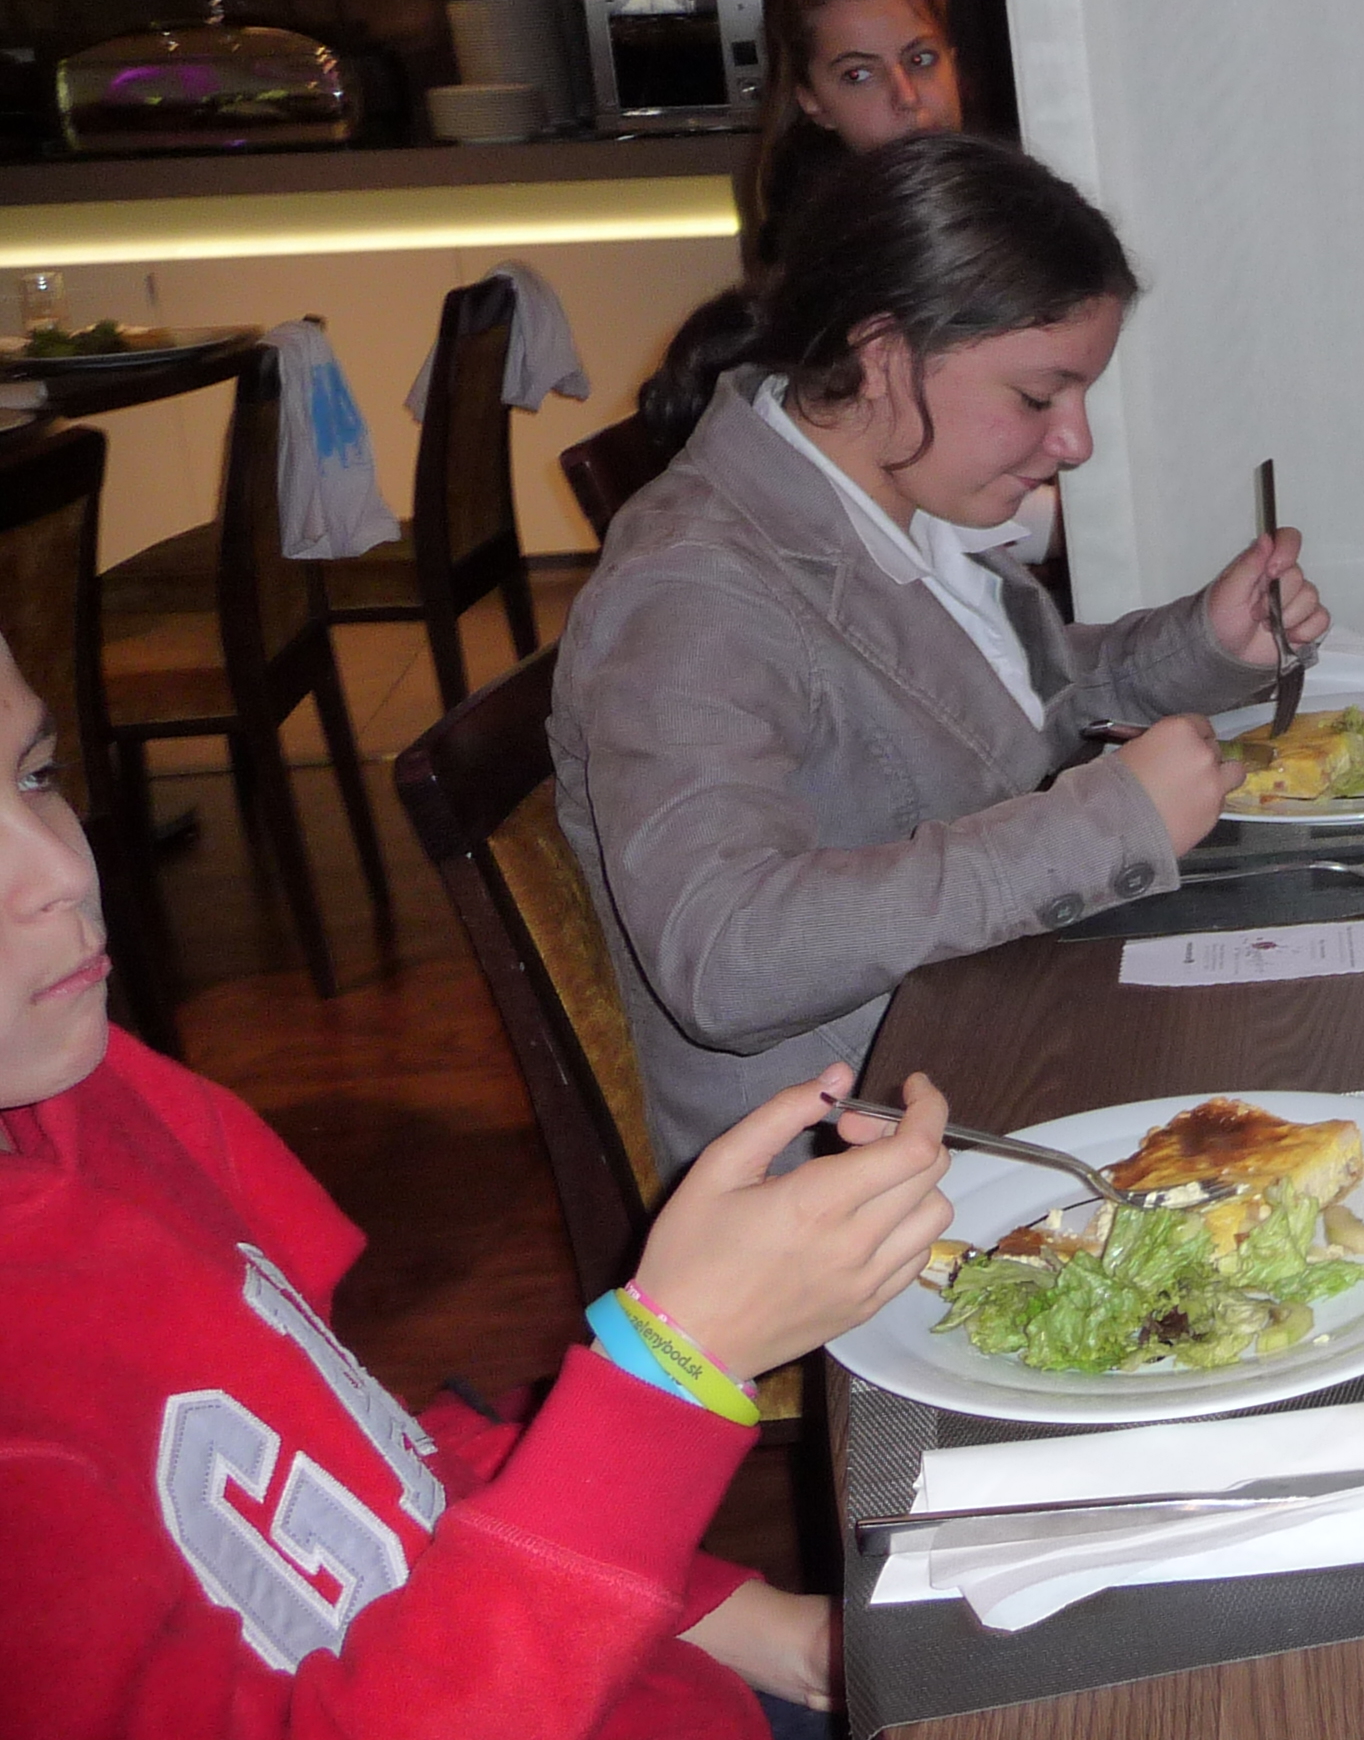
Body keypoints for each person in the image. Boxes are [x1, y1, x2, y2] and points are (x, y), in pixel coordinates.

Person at [0, 631, 957, 1739]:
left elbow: (374, 1472)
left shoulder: (94, 1105)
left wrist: (762, 1632)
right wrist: (673, 1369)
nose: (64, 872)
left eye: (35, 776)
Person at [558, 131, 1326, 1180]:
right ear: (884, 355)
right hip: (856, 1164)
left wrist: (1206, 642)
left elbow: (990, 707)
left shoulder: (885, 494)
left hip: (995, 1041)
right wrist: (1099, 826)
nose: (1076, 442)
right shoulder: (693, 589)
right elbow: (724, 955)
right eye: (1039, 396)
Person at [740, 0, 966, 278]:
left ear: (953, 63)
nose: (907, 96)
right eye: (858, 75)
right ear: (813, 103)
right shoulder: (824, 269)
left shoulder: (1016, 204)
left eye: (920, 59)